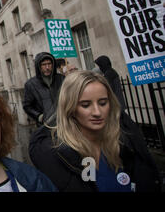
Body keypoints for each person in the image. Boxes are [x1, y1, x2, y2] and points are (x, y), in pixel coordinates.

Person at [29, 71, 161, 192]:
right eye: (85, 105)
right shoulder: (57, 156)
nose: (97, 112)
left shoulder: (125, 141)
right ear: (70, 108)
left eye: (103, 103)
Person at [23, 52, 65, 126]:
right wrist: (39, 116)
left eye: (49, 64)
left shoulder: (61, 79)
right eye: (44, 65)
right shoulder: (31, 84)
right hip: (45, 125)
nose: (47, 67)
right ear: (39, 66)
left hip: (64, 122)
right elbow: (27, 106)